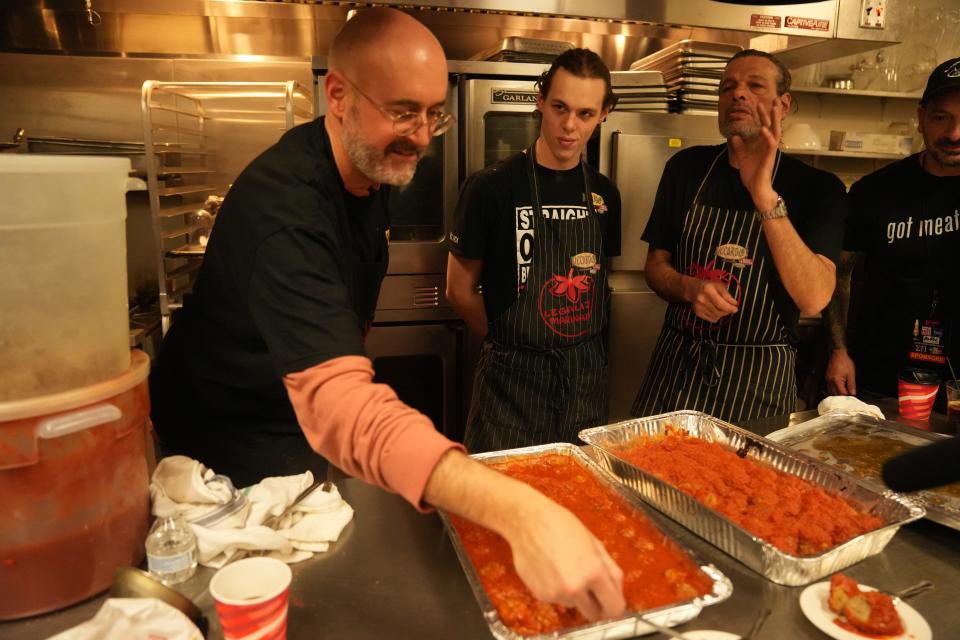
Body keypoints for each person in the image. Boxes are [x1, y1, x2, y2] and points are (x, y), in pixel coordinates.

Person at [150, 8, 624, 620]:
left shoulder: (371, 174)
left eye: (434, 114)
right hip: (231, 460)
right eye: (403, 111)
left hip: (300, 435)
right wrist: (520, 510)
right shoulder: (287, 209)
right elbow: (340, 407)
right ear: (338, 95)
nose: (423, 137)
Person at [630, 49, 846, 423]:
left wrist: (762, 193)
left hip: (757, 384)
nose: (738, 94)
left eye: (754, 86)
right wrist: (689, 288)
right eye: (728, 87)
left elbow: (814, 298)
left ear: (784, 104)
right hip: (676, 374)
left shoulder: (819, 189)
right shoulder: (685, 168)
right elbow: (655, 265)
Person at [445, 49, 621, 452]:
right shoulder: (490, 188)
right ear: (540, 100)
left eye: (585, 114)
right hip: (511, 385)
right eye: (560, 107)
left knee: (579, 499)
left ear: (604, 113)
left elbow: (598, 282)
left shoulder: (605, 194)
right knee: (499, 505)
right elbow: (458, 289)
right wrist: (511, 347)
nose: (569, 126)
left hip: (584, 380)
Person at [824, 57, 960, 407]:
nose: (954, 133)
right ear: (920, 118)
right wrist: (838, 351)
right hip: (880, 381)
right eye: (941, 117)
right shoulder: (875, 192)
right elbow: (836, 272)